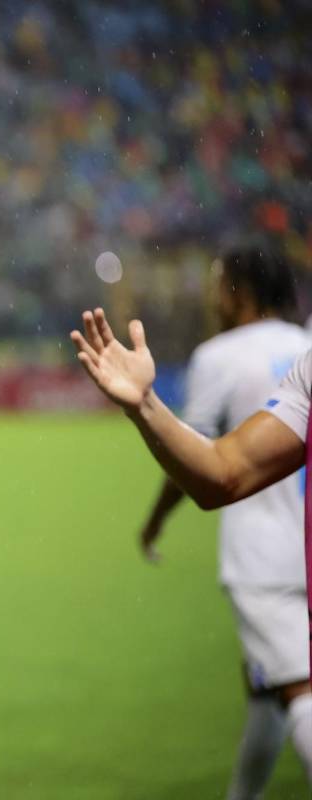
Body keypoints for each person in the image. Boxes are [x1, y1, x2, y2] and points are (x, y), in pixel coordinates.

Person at [68, 261, 312, 793]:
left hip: (262, 555)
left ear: (239, 291)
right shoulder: (303, 350)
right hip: (298, 550)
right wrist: (145, 406)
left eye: (218, 285)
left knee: (295, 694)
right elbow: (226, 471)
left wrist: (153, 521)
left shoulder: (220, 355)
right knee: (268, 690)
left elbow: (213, 464)